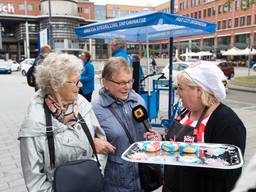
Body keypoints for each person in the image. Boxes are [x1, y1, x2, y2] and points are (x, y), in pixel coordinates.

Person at [18, 53, 115, 192]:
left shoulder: (82, 105)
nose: (80, 85)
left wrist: (94, 171)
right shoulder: (34, 124)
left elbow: (101, 142)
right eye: (75, 82)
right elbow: (34, 181)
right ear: (56, 85)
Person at [146, 61, 246, 192]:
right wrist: (162, 141)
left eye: (181, 88)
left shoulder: (228, 123)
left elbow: (230, 171)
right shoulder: (185, 113)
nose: (177, 94)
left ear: (199, 90)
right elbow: (176, 143)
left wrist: (192, 157)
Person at [92, 57, 159, 191]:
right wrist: (92, 142)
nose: (127, 87)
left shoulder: (138, 100)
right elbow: (85, 145)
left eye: (129, 81)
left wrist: (155, 137)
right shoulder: (95, 109)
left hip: (141, 179)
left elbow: (147, 131)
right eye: (121, 83)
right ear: (105, 82)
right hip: (114, 183)